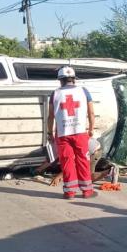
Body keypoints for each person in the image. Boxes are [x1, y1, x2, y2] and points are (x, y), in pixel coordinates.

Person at [47, 66, 97, 199]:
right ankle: (87, 192)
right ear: (74, 79)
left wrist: (49, 133)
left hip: (62, 133)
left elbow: (50, 116)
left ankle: (69, 192)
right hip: (80, 132)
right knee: (83, 160)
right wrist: (91, 128)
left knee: (67, 161)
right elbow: (91, 112)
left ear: (60, 80)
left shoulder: (55, 94)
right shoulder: (84, 91)